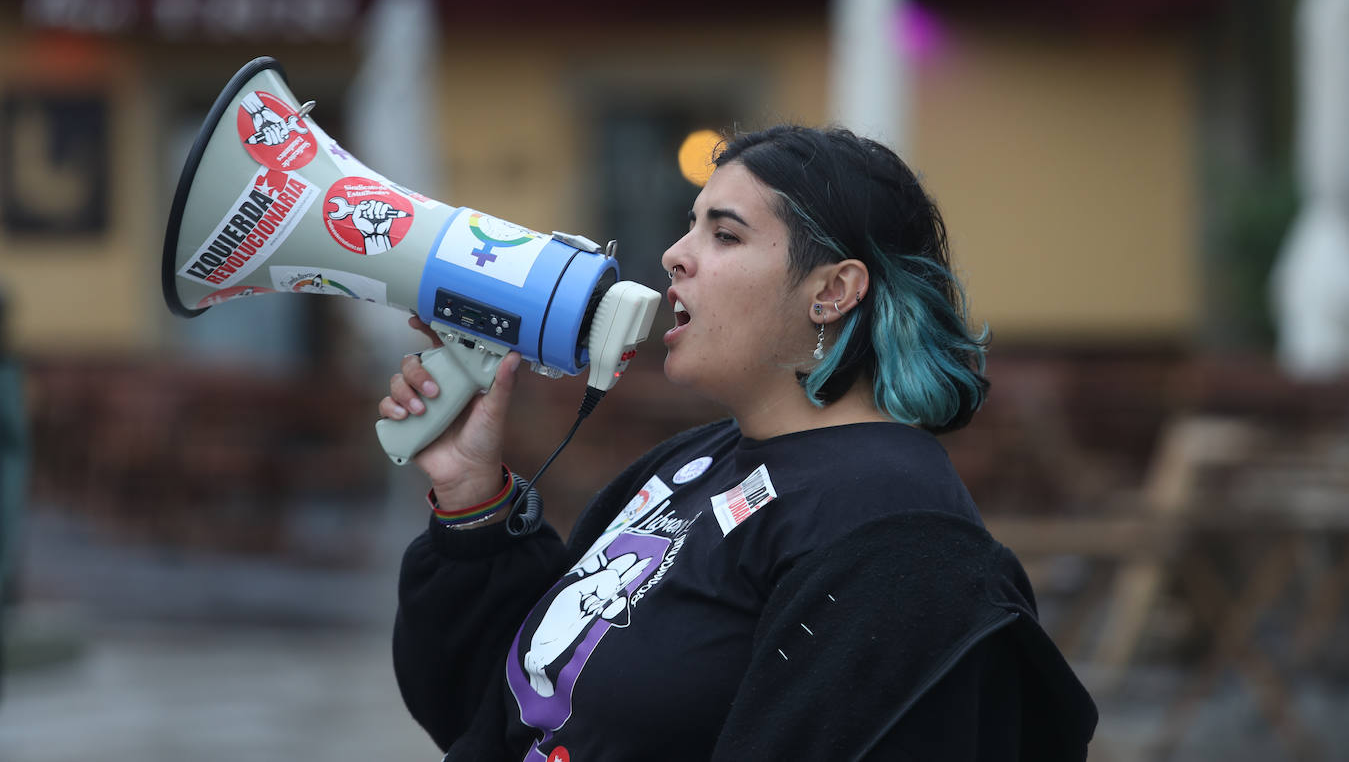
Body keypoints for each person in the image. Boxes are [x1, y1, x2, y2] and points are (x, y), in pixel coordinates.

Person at [383, 125, 1098, 761]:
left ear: (833, 290)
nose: (673, 256)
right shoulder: (692, 461)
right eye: (691, 227)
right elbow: (514, 707)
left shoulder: (893, 528)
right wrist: (473, 496)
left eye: (723, 234)